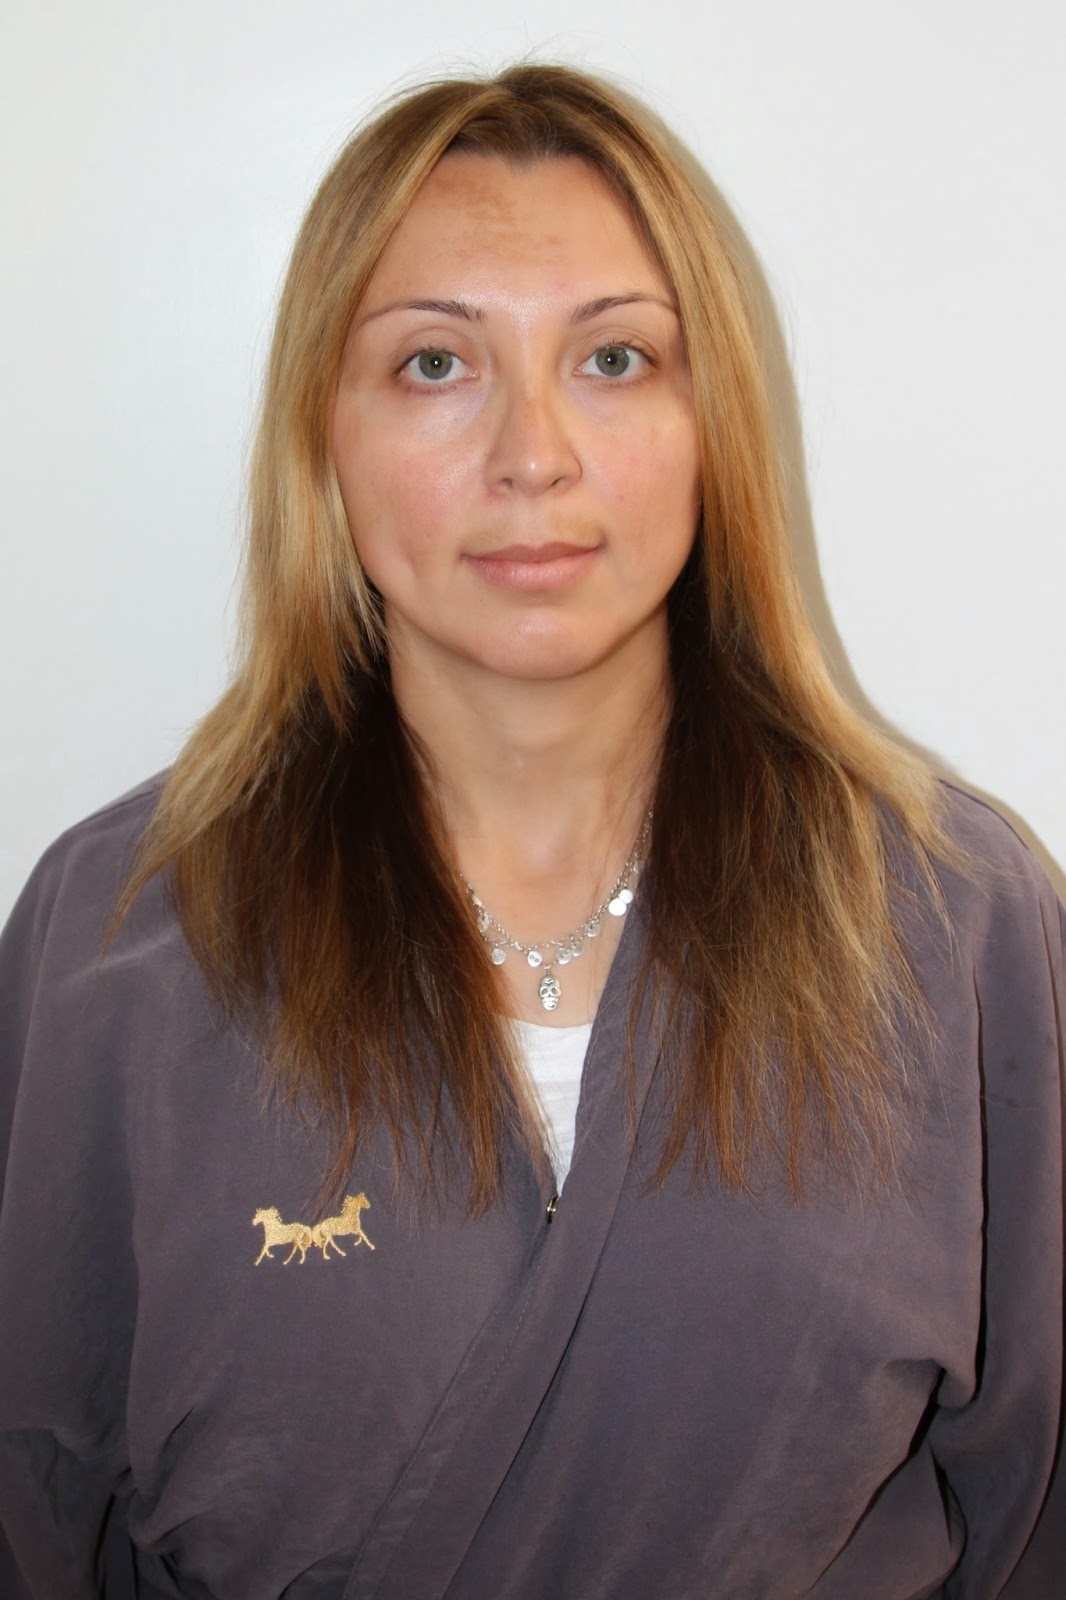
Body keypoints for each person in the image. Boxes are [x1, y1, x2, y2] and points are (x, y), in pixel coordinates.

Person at [0, 62, 1062, 1600]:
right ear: (322, 434)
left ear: (713, 422)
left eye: (615, 358)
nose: (533, 453)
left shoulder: (953, 919)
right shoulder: (116, 940)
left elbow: (1035, 1503)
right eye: (434, 364)